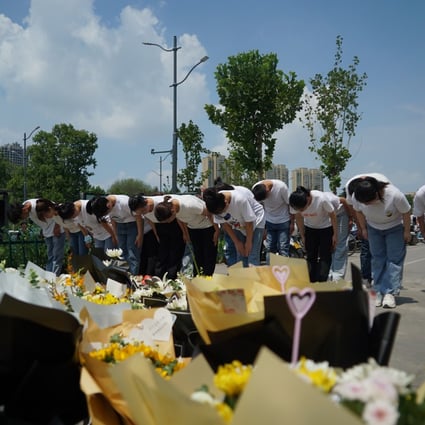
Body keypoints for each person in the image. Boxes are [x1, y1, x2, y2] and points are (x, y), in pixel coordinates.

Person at [352, 176, 411, 308]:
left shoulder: (394, 194)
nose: (366, 204)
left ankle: (390, 293)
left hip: (394, 228)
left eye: (369, 201)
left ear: (377, 193)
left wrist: (406, 231)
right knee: (377, 259)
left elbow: (406, 212)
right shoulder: (358, 195)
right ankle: (378, 291)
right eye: (364, 202)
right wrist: (363, 228)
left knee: (394, 260)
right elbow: (358, 211)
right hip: (373, 228)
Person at [154, 194, 220, 276]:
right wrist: (185, 234)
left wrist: (217, 231)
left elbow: (209, 214)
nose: (168, 223)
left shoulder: (189, 205)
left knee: (208, 254)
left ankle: (208, 277)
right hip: (193, 227)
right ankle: (198, 277)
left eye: (168, 220)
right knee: (197, 255)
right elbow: (180, 219)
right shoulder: (170, 206)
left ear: (173, 212)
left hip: (208, 226)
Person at [345, 173, 391, 286]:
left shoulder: (384, 187)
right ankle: (366, 277)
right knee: (366, 248)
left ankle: (381, 278)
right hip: (364, 217)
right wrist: (361, 227)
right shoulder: (349, 187)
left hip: (383, 217)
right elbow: (354, 208)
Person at [203, 185, 265, 267]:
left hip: (256, 221)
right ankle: (241, 279)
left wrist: (249, 241)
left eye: (223, 210)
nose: (222, 213)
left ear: (226, 202)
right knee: (241, 254)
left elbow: (249, 222)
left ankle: (253, 278)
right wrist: (237, 242)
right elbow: (225, 224)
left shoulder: (239, 199)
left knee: (252, 254)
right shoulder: (215, 204)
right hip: (237, 224)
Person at [289, 187, 338, 282]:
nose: (302, 211)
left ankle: (322, 280)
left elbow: (333, 216)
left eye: (303, 208)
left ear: (308, 199)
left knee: (325, 256)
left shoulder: (321, 198)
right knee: (311, 255)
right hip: (310, 229)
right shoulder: (295, 201)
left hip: (325, 228)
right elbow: (298, 218)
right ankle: (311, 280)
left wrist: (335, 234)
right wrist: (303, 235)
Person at [7, 198, 66, 275]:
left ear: (24, 209)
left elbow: (55, 209)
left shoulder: (39, 205)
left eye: (22, 217)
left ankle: (54, 277)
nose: (24, 218)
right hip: (47, 231)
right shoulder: (26, 205)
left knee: (57, 255)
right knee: (50, 255)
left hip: (57, 229)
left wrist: (57, 226)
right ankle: (48, 275)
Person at [88, 195, 143, 275]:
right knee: (121, 253)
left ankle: (132, 278)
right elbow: (113, 219)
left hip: (132, 225)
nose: (107, 214)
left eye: (106, 212)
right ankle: (123, 276)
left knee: (132, 253)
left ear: (109, 205)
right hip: (119, 226)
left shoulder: (124, 202)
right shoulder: (104, 204)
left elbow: (138, 216)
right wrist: (115, 234)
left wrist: (140, 234)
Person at [252, 179, 294, 261]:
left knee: (283, 248)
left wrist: (292, 222)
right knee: (270, 248)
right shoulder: (256, 188)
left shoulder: (281, 187)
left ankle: (283, 271)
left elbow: (290, 204)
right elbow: (259, 207)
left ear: (268, 190)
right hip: (269, 221)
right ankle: (270, 270)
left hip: (283, 221)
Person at [327, 193, 351, 281]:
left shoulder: (328, 199)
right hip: (328, 218)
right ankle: (329, 274)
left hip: (341, 215)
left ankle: (338, 276)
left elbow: (344, 200)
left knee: (340, 245)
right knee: (329, 246)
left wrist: (350, 217)